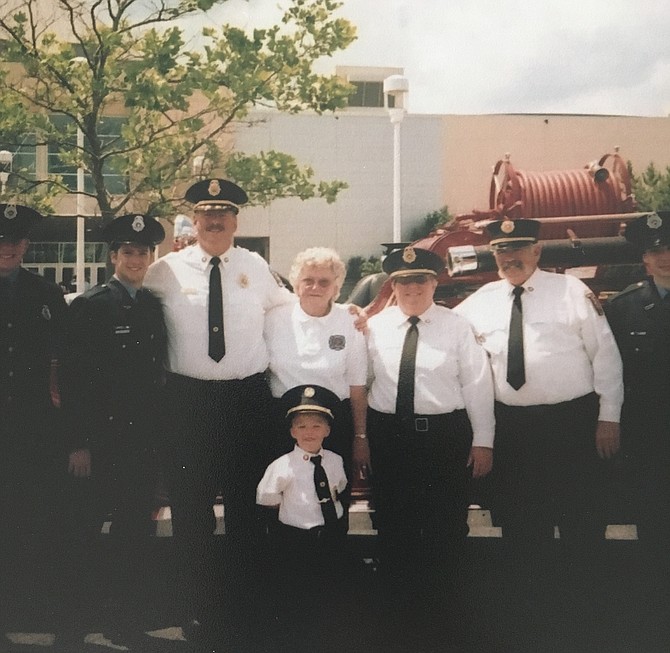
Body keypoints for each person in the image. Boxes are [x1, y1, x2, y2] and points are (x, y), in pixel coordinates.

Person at [142, 178, 293, 651]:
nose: (214, 220)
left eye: (224, 213)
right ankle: (197, 610)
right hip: (187, 404)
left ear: (236, 221)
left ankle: (243, 609)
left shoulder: (256, 266)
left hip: (246, 403)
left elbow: (292, 312)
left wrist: (347, 312)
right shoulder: (165, 270)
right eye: (206, 212)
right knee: (192, 512)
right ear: (194, 218)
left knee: (248, 511)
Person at [454, 218, 623, 550]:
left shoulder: (571, 290)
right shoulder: (480, 301)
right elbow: (435, 324)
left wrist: (609, 417)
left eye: (517, 248)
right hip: (515, 432)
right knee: (523, 526)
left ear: (536, 250)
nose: (509, 257)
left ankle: (587, 600)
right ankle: (534, 599)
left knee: (583, 522)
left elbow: (605, 356)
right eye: (502, 250)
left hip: (572, 424)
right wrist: (362, 320)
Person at [366, 245, 495, 649]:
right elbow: (363, 383)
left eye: (420, 280)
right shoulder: (373, 327)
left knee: (444, 526)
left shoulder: (457, 326)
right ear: (393, 285)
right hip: (389, 437)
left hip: (443, 437)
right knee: (392, 523)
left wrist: (483, 441)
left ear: (435, 282)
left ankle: (445, 617)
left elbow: (477, 384)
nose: (412, 288)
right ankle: (398, 616)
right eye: (404, 281)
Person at [62, 213, 167, 648]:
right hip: (100, 441)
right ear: (114, 256)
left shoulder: (154, 306)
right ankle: (73, 624)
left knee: (132, 533)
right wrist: (77, 443)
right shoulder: (91, 305)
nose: (136, 258)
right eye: (128, 252)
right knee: (86, 531)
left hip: (140, 442)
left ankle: (124, 621)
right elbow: (72, 380)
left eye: (143, 252)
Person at [0, 204, 71, 648]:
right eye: (1, 241)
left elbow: (64, 364)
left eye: (15, 241)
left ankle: (22, 613)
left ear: (26, 245)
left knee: (27, 521)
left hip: (30, 430)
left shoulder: (46, 294)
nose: (7, 248)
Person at [257, 384, 349, 651]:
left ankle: (327, 633)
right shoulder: (282, 465)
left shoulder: (335, 460)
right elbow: (268, 498)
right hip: (296, 540)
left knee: (328, 587)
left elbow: (338, 488)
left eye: (316, 426)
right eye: (302, 426)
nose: (309, 432)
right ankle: (297, 636)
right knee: (296, 591)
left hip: (328, 535)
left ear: (328, 431)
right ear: (292, 431)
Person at [264, 247, 368, 483]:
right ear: (296, 284)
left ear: (336, 287)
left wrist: (360, 436)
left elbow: (357, 387)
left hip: (334, 423)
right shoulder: (272, 319)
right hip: (284, 423)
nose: (315, 287)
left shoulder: (350, 321)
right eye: (308, 280)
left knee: (333, 501)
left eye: (324, 282)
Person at [604, 212, 670, 574]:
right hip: (650, 434)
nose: (664, 257)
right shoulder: (622, 308)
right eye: (655, 250)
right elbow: (611, 372)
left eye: (669, 248)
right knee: (654, 520)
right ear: (644, 259)